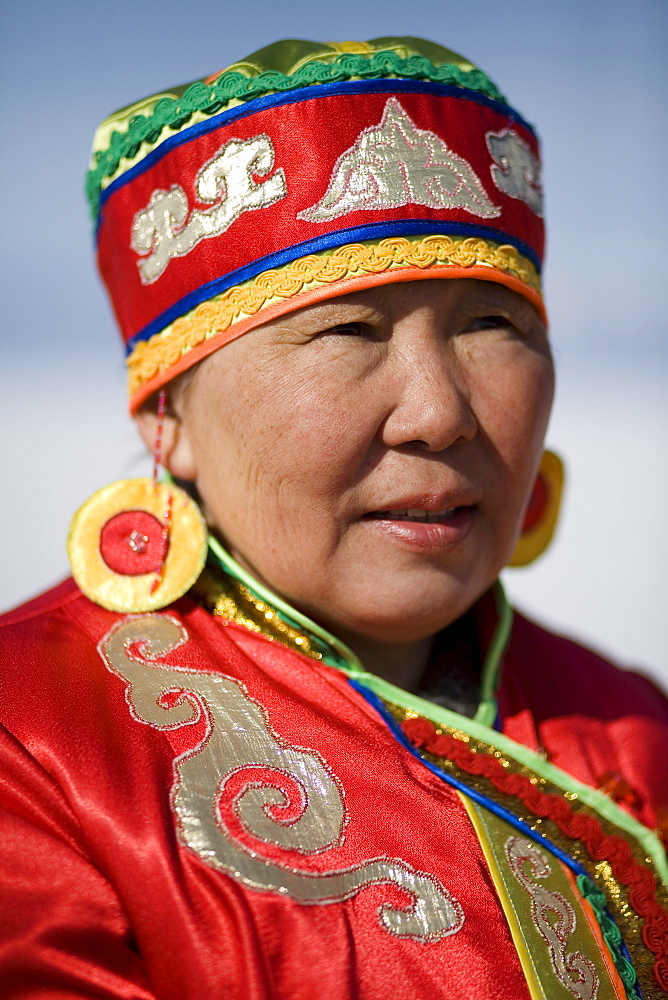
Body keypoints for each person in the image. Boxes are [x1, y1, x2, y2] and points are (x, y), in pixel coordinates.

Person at [1, 36, 667, 1000]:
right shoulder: (36, 753)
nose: (438, 412)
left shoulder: (628, 724)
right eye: (348, 329)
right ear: (165, 412)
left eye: (492, 325)